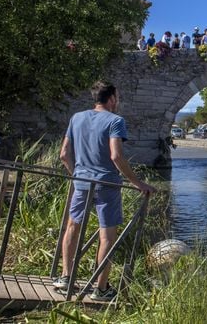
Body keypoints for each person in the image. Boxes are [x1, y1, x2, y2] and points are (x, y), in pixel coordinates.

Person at [56, 81, 155, 301]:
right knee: (107, 236)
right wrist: (138, 183)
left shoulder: (77, 118)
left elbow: (64, 154)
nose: (117, 101)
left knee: (72, 226)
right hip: (107, 184)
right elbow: (116, 156)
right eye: (117, 97)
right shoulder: (115, 121)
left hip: (81, 182)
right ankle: (100, 290)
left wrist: (77, 174)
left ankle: (65, 278)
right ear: (111, 98)